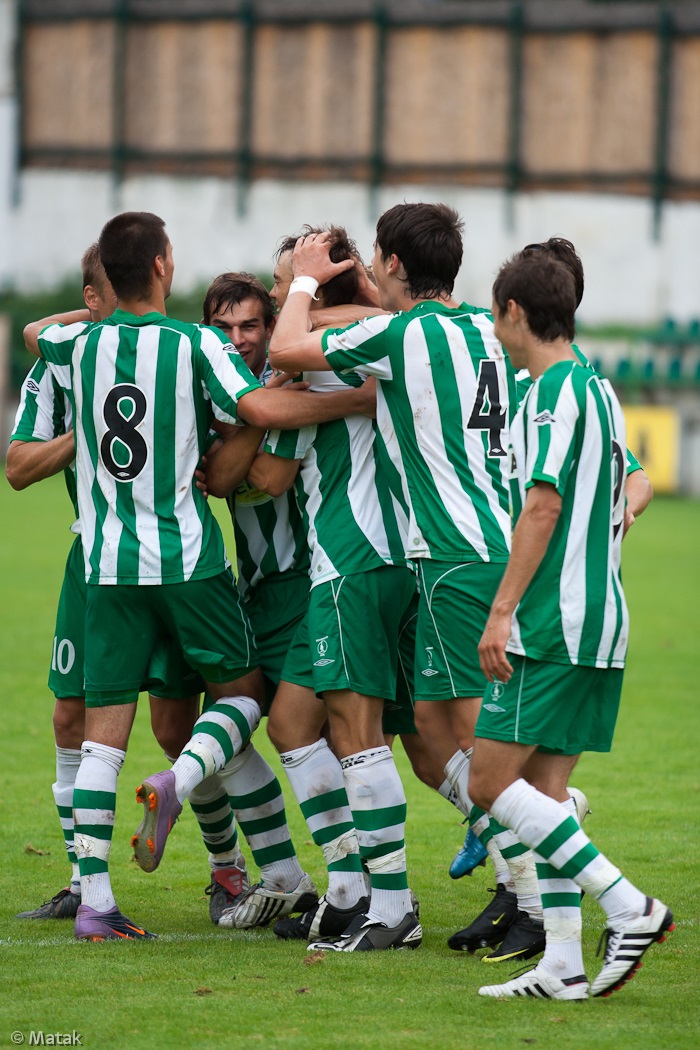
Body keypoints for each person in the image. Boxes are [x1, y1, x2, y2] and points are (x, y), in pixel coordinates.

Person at [24, 212, 367, 940]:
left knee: (101, 739)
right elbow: (253, 409)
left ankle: (96, 903)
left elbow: (36, 336)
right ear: (162, 266)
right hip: (187, 560)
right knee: (243, 703)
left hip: (106, 566)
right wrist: (357, 398)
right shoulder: (192, 343)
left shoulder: (76, 343)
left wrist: (97, 304)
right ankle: (194, 805)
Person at [267, 204, 517, 946]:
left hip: (395, 558)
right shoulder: (480, 328)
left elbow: (286, 351)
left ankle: (410, 901)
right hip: (454, 555)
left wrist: (306, 287)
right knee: (432, 736)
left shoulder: (393, 337)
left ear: (395, 265)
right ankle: (385, 891)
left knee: (401, 734)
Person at [204, 228, 421, 951]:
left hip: (348, 562)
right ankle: (354, 888)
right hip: (387, 559)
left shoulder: (318, 362)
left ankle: (390, 902)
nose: (271, 301)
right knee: (306, 726)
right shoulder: (383, 337)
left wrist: (283, 390)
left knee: (370, 738)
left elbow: (263, 478)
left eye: (279, 287)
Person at [470, 251, 672, 1000]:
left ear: (517, 312)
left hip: (553, 622)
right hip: (599, 619)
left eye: (496, 315)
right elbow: (636, 483)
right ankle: (563, 962)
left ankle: (628, 905)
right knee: (547, 796)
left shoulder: (555, 394)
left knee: (492, 782)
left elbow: (544, 503)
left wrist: (501, 612)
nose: (494, 330)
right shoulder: (596, 387)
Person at [8, 245, 201, 921]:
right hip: (91, 561)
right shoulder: (61, 368)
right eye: (100, 300)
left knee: (178, 725)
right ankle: (80, 879)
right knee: (70, 716)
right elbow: (18, 467)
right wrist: (81, 435)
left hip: (167, 557)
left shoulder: (162, 353)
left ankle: (229, 868)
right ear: (91, 302)